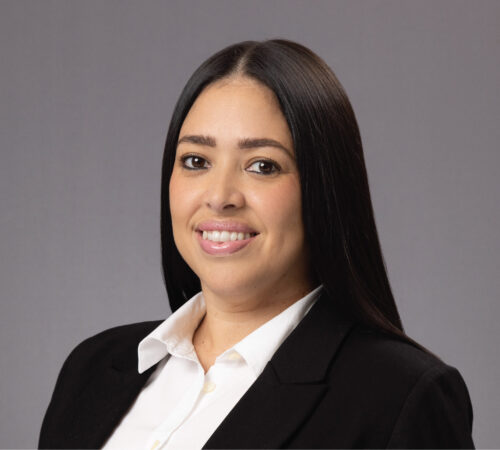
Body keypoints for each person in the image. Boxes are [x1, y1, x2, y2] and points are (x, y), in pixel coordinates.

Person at [38, 39, 474, 449]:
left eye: (262, 165)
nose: (220, 195)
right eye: (196, 161)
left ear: (325, 188)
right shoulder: (93, 368)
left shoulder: (399, 395)